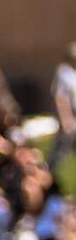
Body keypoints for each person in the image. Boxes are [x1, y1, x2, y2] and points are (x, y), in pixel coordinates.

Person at [49, 41, 76, 171]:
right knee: (62, 148)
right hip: (70, 115)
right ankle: (47, 173)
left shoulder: (72, 72)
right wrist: (66, 120)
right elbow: (61, 98)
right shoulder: (64, 72)